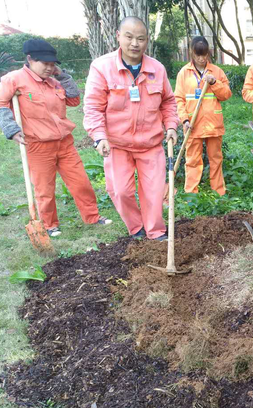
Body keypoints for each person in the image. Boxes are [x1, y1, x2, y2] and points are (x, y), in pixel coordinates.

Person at [0, 39, 111, 237]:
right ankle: (50, 225)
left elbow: (74, 99)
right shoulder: (13, 79)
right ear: (30, 59)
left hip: (64, 143)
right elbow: (0, 103)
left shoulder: (54, 82)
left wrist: (63, 76)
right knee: (44, 189)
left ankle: (92, 216)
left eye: (53, 64)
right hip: (37, 145)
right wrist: (11, 129)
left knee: (81, 182)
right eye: (45, 64)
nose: (50, 68)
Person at [83, 16, 178, 240]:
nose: (134, 43)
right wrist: (99, 136)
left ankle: (155, 232)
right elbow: (93, 106)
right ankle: (136, 228)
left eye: (141, 39)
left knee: (154, 193)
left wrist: (171, 126)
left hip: (150, 144)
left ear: (147, 42)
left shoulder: (157, 69)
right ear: (118, 36)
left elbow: (168, 101)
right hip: (117, 144)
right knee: (120, 191)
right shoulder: (102, 67)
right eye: (129, 37)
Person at [174, 36, 231, 195]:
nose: (201, 58)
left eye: (204, 55)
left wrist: (214, 83)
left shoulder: (217, 71)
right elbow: (178, 99)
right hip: (192, 125)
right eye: (198, 55)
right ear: (191, 53)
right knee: (192, 161)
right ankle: (191, 195)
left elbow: (226, 94)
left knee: (216, 160)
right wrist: (184, 119)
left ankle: (219, 193)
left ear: (208, 53)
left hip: (213, 125)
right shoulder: (184, 73)